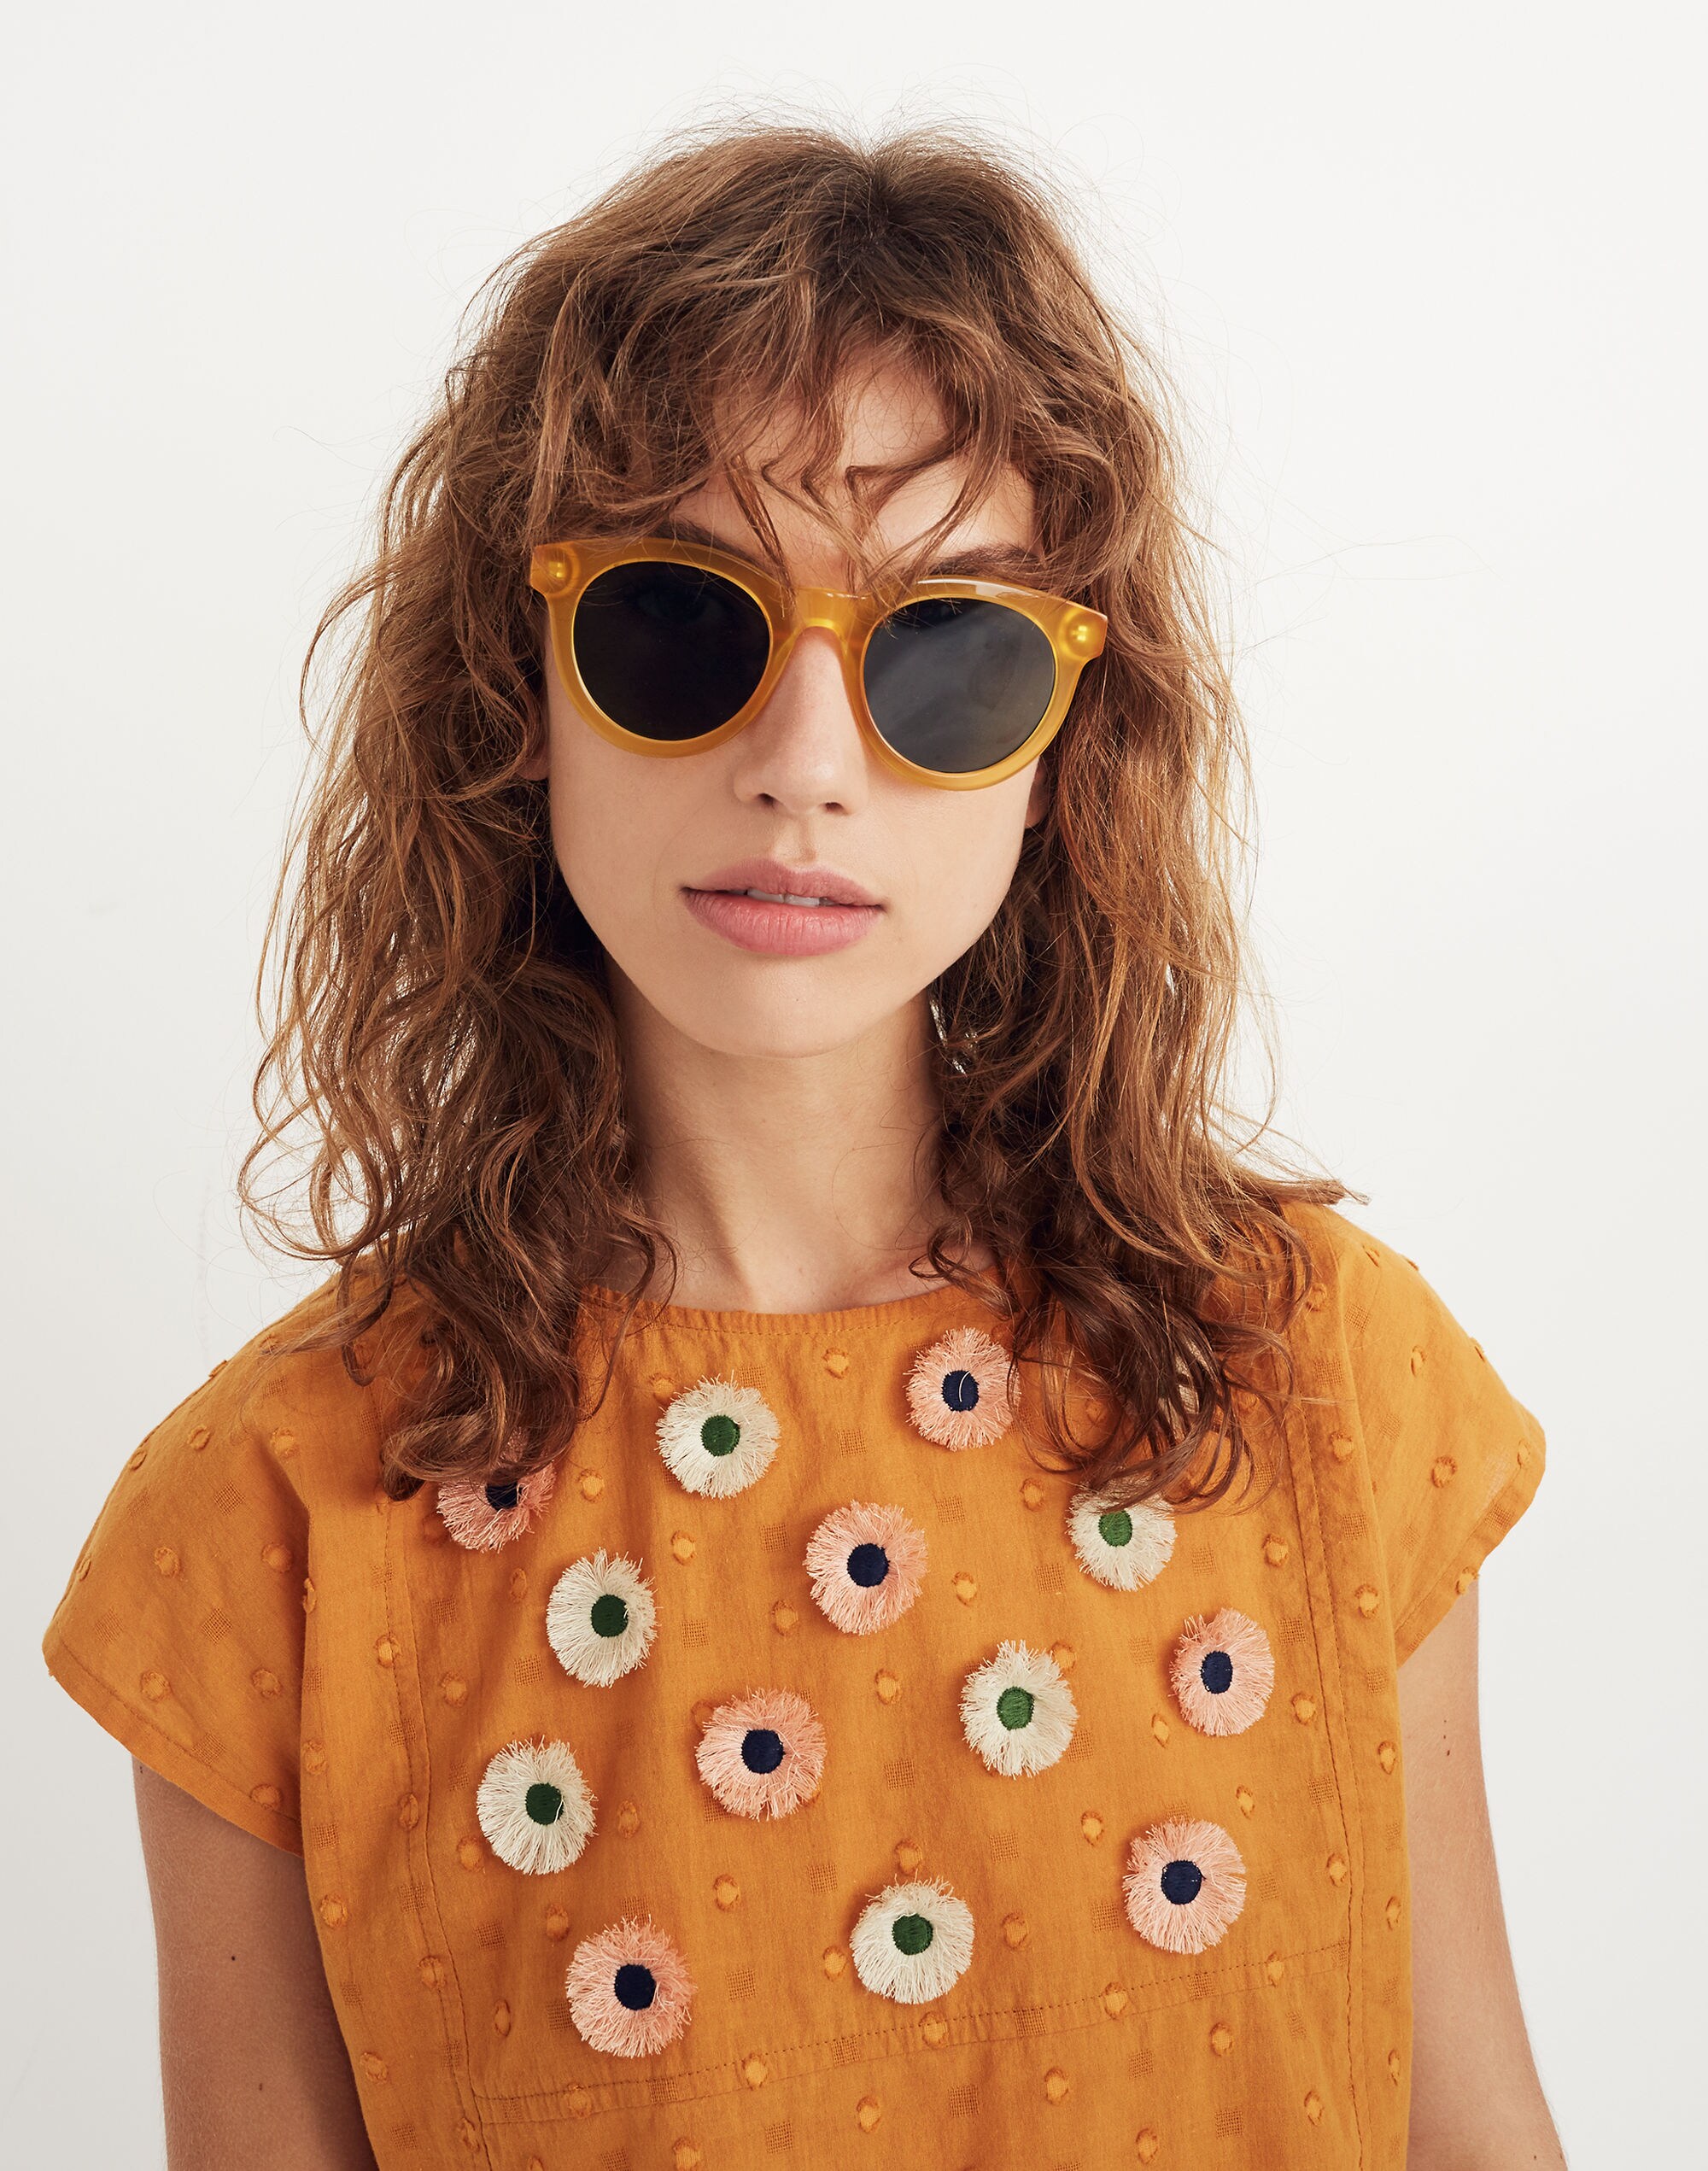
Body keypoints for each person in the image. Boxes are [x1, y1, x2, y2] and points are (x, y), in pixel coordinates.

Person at [40, 120, 1565, 2169]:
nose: (805, 764)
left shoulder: (1317, 1383)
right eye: (681, 626)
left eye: (949, 650)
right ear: (518, 683)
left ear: (1065, 744)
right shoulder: (278, 1515)